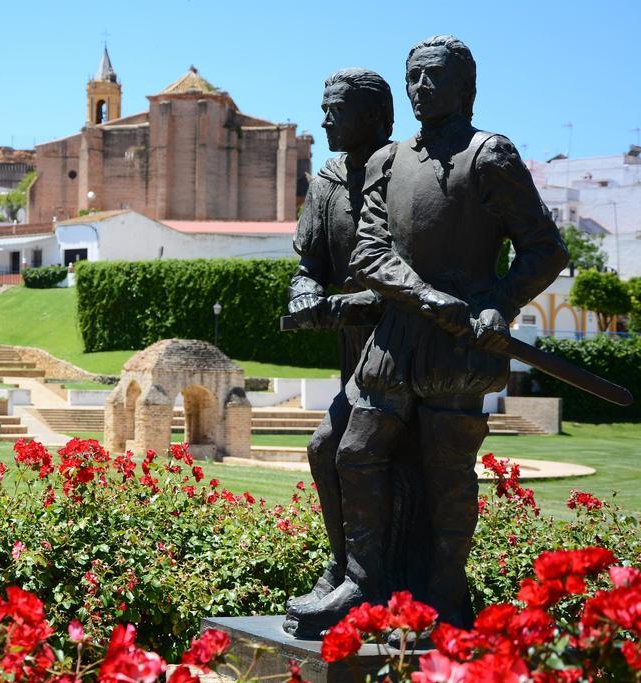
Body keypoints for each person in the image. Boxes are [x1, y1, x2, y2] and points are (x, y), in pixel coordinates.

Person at [295, 35, 568, 633]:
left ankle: (444, 590)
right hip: (395, 339)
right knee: (352, 452)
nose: (421, 88)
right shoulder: (392, 162)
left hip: (457, 347)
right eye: (413, 77)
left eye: (433, 77)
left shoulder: (489, 155)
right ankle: (361, 582)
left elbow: (545, 250)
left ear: (466, 87)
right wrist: (424, 295)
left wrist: (497, 302)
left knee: (447, 472)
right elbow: (371, 251)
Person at [282, 68, 393, 635]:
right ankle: (342, 567)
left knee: (335, 446)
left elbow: (407, 275)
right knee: (326, 452)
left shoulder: (402, 172)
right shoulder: (326, 178)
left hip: (400, 348)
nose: (325, 119)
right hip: (356, 352)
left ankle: (362, 576)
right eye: (323, 108)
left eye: (337, 109)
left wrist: (343, 306)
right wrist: (306, 296)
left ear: (373, 114)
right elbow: (309, 266)